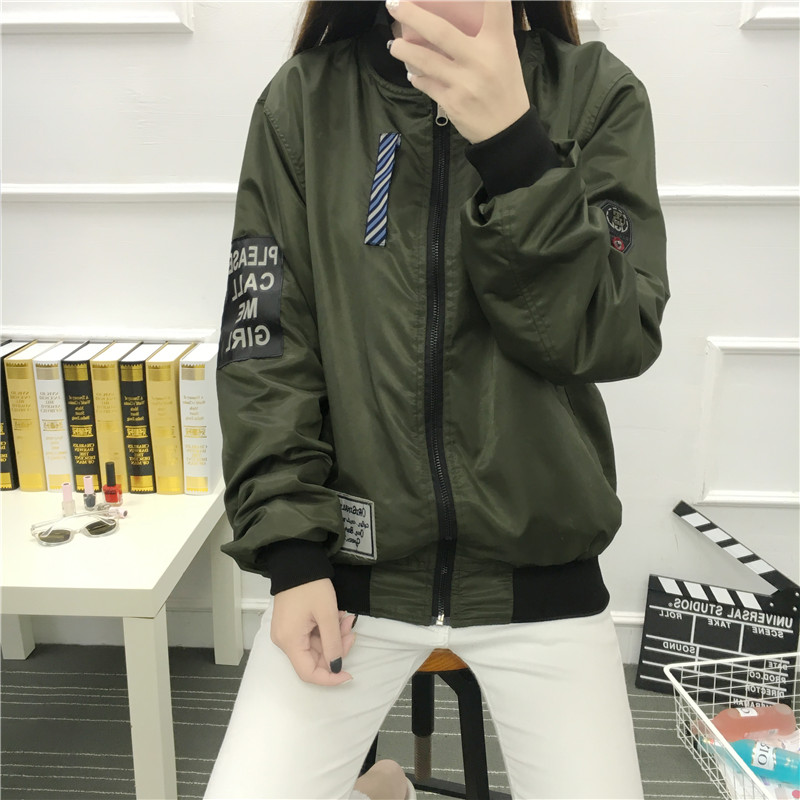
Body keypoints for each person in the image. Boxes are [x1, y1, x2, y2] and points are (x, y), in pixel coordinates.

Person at [206, 0, 669, 798]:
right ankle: (383, 787)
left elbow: (612, 335)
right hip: (347, 578)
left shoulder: (595, 94)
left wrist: (516, 147)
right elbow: (268, 346)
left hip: (543, 576)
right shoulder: (303, 103)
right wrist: (292, 557)